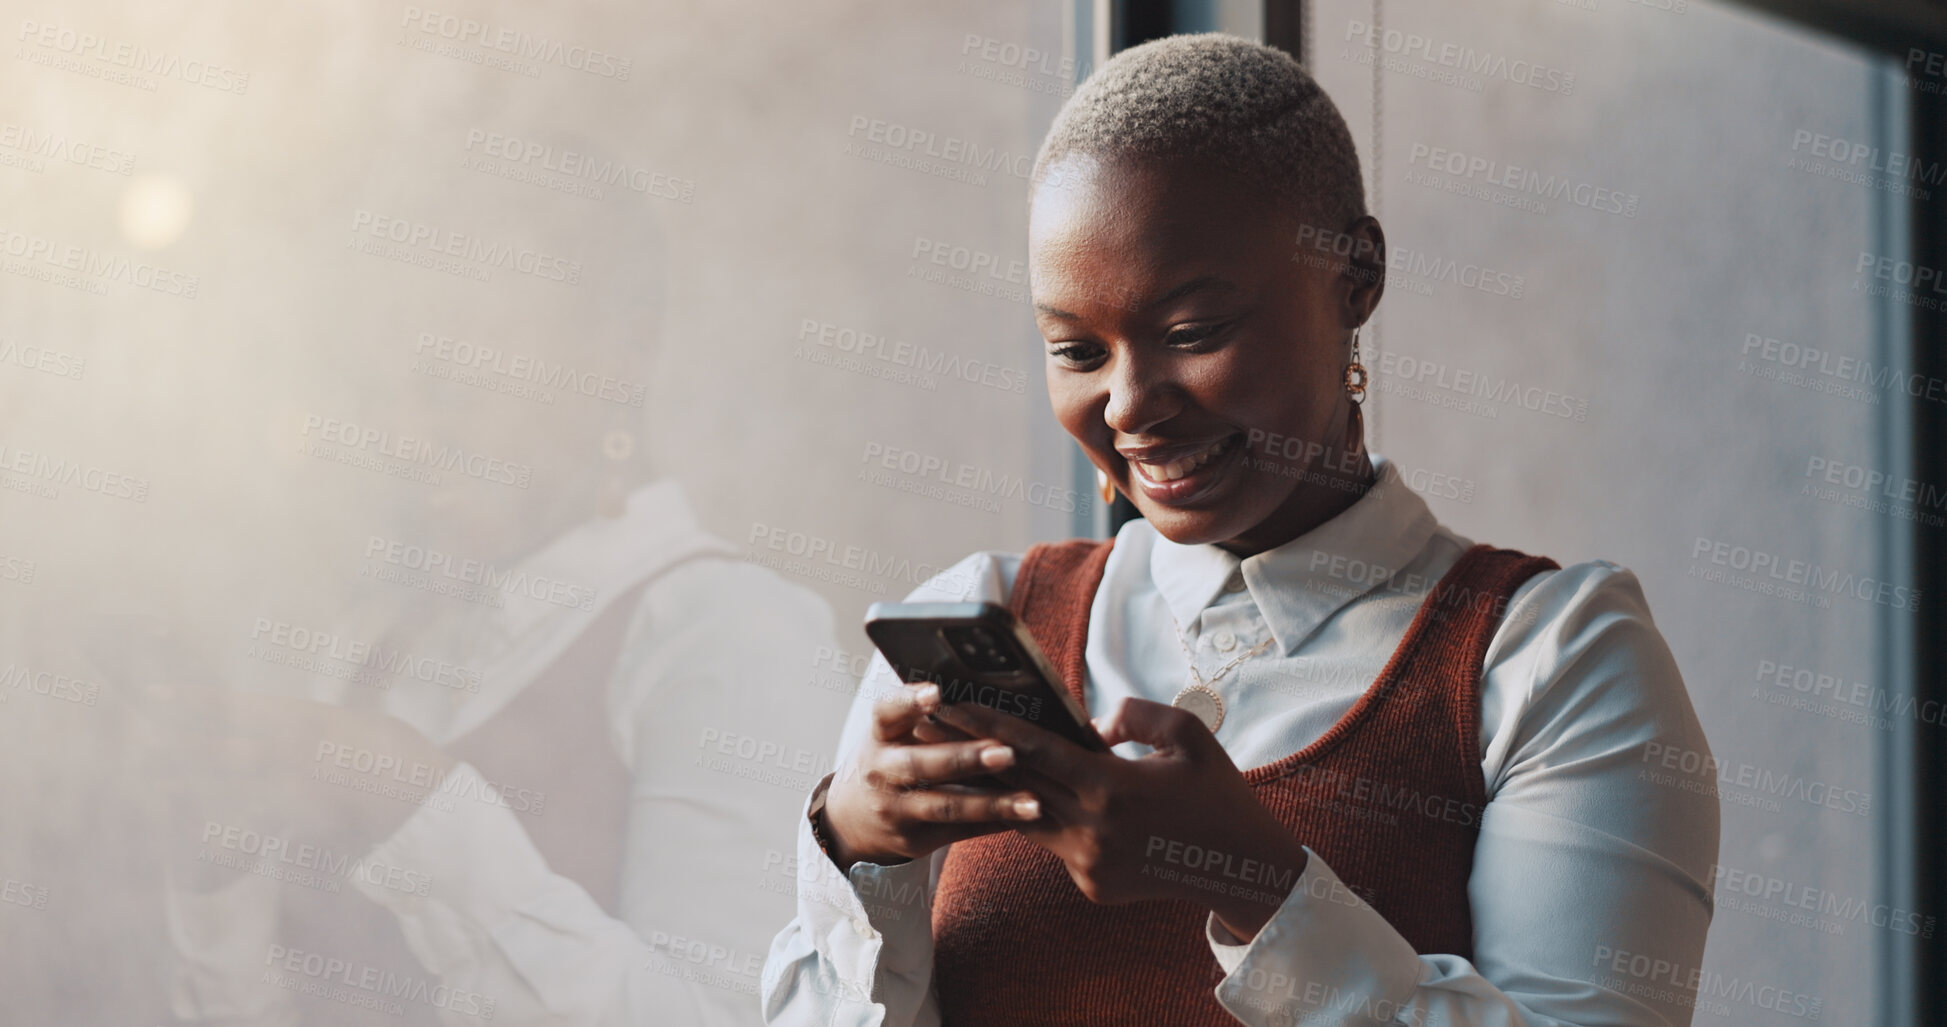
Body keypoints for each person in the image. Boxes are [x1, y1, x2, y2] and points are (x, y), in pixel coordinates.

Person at [762, 34, 1718, 1027]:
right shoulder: (980, 618)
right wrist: (857, 851)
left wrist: (1260, 884)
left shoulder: (1552, 660)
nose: (1130, 405)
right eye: (1077, 348)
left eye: (1191, 334)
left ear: (1356, 276)